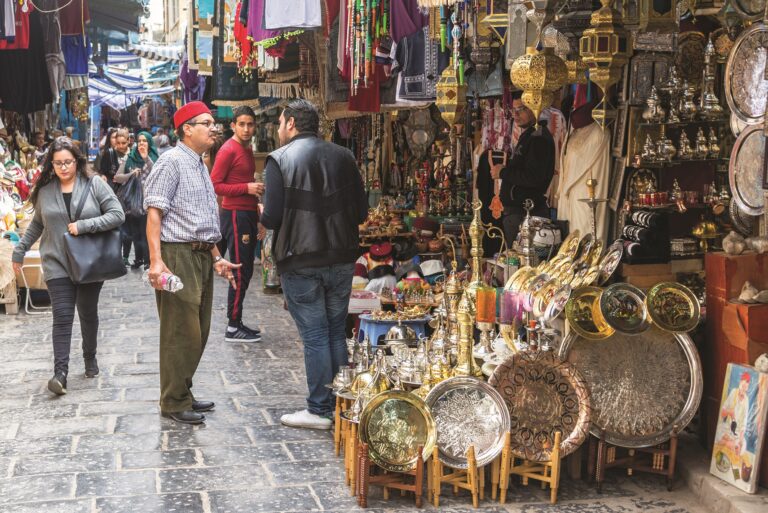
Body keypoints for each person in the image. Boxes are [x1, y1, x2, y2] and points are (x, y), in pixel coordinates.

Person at [261, 100, 368, 430]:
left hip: (301, 258)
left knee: (316, 336)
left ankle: (320, 408)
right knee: (336, 332)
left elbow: (273, 217)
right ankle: (341, 404)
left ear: (291, 123)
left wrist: (261, 211)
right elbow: (362, 212)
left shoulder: (279, 160)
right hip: (341, 257)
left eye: (280, 122)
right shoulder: (344, 156)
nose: (279, 128)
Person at [143, 101, 241, 425]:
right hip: (177, 254)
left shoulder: (199, 163)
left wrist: (216, 257)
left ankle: (182, 391)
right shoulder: (171, 161)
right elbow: (154, 212)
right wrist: (157, 261)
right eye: (206, 123)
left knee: (199, 330)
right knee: (180, 330)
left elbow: (199, 218)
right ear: (187, 128)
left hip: (200, 254)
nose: (213, 128)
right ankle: (172, 402)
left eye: (213, 123)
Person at [11, 137, 125, 395]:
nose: (63, 168)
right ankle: (60, 373)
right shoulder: (45, 190)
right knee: (62, 317)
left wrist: (84, 226)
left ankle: (90, 358)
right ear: (51, 164)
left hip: (88, 262)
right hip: (56, 261)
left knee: (87, 313)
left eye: (68, 162)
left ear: (77, 161)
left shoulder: (94, 184)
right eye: (58, 163)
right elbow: (38, 224)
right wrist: (19, 252)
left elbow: (117, 214)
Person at [211, 106, 264, 342]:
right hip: (234, 214)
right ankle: (233, 326)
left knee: (248, 268)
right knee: (240, 268)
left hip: (247, 213)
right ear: (233, 125)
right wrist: (247, 188)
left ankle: (237, 320)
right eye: (241, 124)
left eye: (250, 124)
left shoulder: (247, 148)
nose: (246, 128)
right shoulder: (228, 149)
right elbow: (215, 185)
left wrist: (257, 210)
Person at [490, 92, 556, 245]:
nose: (516, 115)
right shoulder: (529, 135)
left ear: (534, 108)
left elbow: (533, 177)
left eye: (522, 109)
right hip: (519, 213)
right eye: (514, 110)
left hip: (526, 213)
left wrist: (503, 172)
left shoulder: (538, 138)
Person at [114, 131, 158, 270]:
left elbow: (157, 172)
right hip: (132, 201)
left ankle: (147, 261)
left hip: (148, 201)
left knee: (146, 234)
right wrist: (131, 173)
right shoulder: (130, 157)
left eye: (145, 141)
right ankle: (138, 259)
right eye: (139, 141)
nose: (142, 143)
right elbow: (118, 177)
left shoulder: (154, 157)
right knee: (135, 234)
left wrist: (146, 159)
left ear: (149, 143)